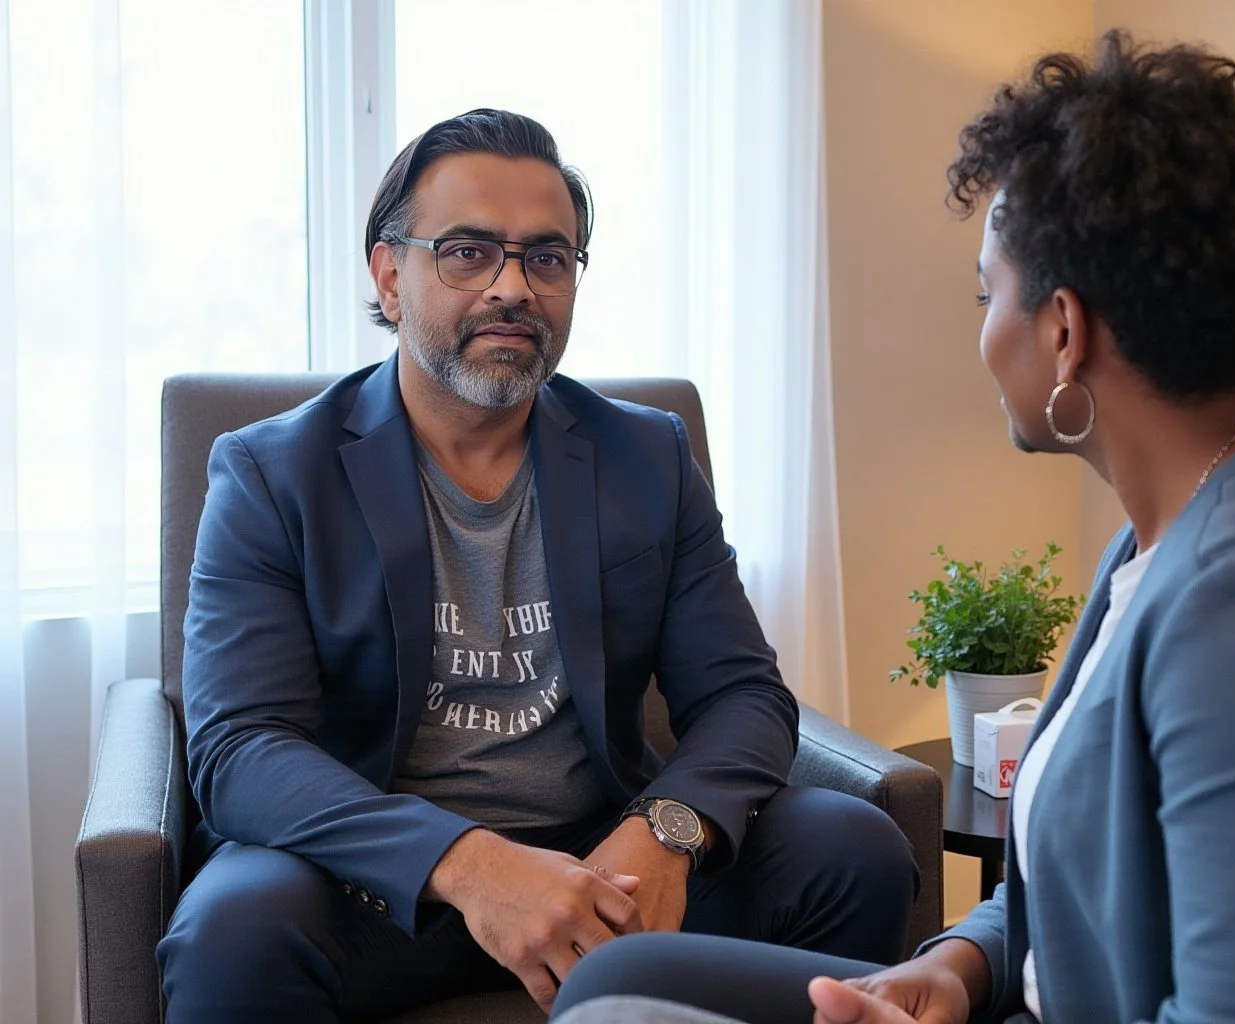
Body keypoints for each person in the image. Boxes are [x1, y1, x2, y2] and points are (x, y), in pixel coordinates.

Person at [549, 30, 1235, 1024]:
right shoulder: (1181, 526)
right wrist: (959, 963)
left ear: (1063, 331)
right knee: (616, 981)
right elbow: (1084, 879)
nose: (980, 331)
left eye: (985, 293)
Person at [155, 108, 917, 1022]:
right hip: (378, 884)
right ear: (390, 276)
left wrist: (664, 832)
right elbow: (242, 747)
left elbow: (745, 697)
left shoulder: (646, 456)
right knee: (231, 935)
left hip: (605, 864)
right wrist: (471, 866)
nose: (512, 286)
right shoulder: (274, 473)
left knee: (852, 849)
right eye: (469, 252)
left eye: (547, 258)